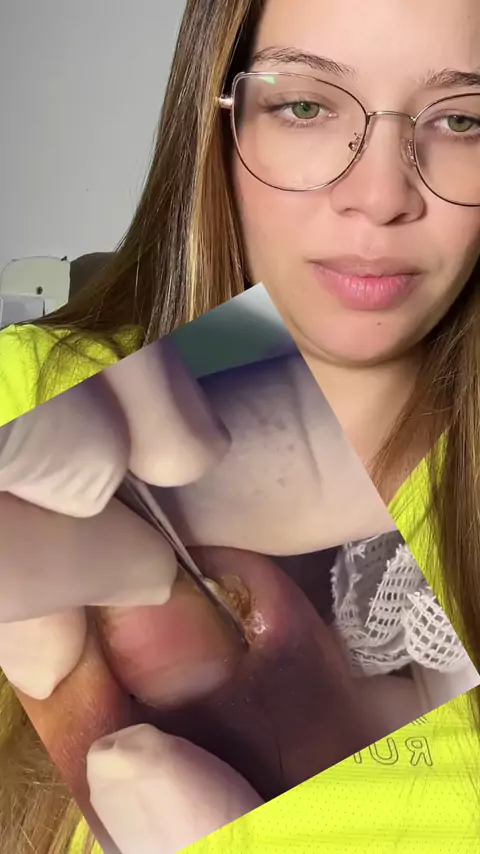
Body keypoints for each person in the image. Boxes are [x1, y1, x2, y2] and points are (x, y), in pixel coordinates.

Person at [1, 0, 480, 850]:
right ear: (220, 121)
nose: (379, 199)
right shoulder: (27, 385)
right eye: (305, 106)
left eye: (463, 120)